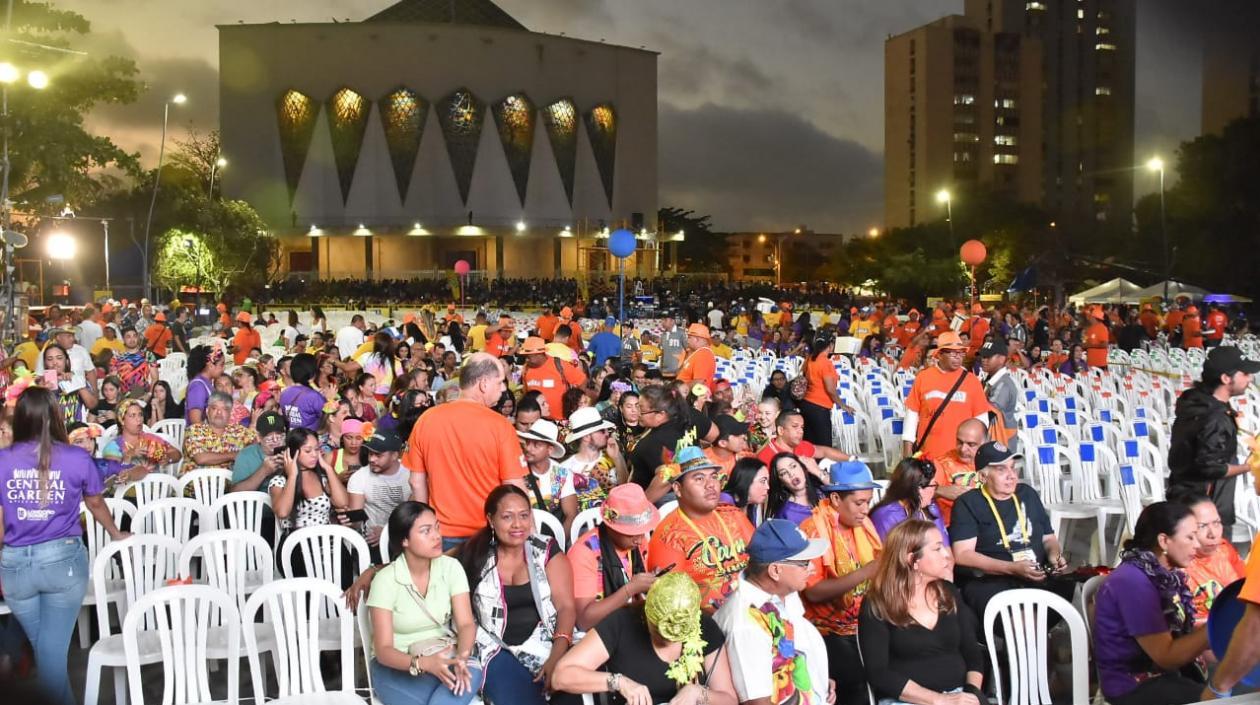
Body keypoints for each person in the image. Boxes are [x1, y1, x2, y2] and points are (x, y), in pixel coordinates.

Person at [0, 386, 128, 705]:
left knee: (47, 652)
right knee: (51, 655)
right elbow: (96, 503)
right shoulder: (76, 457)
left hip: (15, 566)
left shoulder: (2, 459)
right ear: (57, 417)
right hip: (63, 563)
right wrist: (115, 532)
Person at [455, 486, 575, 705]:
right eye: (507, 517)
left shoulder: (545, 550)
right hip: (495, 649)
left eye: (523, 515)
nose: (517, 524)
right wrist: (377, 569)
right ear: (491, 520)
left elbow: (566, 607)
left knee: (569, 693)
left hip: (547, 643)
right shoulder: (475, 552)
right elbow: (428, 561)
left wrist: (557, 654)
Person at [552, 571, 738, 705]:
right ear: (647, 613)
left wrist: (698, 693)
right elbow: (561, 676)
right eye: (660, 631)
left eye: (677, 635)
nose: (668, 640)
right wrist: (619, 682)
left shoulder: (705, 627)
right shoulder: (622, 623)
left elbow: (729, 699)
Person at [405, 353, 528, 550]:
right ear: (483, 384)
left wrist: (425, 528)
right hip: (488, 534)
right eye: (500, 382)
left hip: (441, 535)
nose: (504, 388)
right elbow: (514, 487)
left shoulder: (426, 420)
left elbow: (416, 482)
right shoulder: (500, 426)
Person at [365, 501, 481, 705]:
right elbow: (383, 650)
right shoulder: (385, 580)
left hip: (446, 654)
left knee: (469, 674)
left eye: (437, 527)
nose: (437, 536)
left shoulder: (451, 567)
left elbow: (465, 624)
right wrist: (424, 663)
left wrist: (462, 657)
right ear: (404, 541)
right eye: (425, 531)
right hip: (397, 664)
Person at [858, 520, 985, 705]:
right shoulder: (877, 604)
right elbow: (878, 673)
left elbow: (972, 653)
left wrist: (972, 695)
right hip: (906, 701)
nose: (947, 556)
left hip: (961, 696)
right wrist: (939, 700)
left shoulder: (948, 593)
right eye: (937, 549)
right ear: (912, 560)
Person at [1093, 502, 1208, 705]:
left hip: (1163, 676)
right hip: (1131, 687)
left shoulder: (1162, 575)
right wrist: (1214, 628)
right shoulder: (1133, 582)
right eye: (1189, 537)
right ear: (1164, 541)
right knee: (1221, 698)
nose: (1197, 545)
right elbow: (1166, 656)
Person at [948, 441, 1074, 623]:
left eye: (1013, 468)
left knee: (1073, 589)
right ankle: (1020, 648)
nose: (1011, 476)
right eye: (1001, 470)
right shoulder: (968, 503)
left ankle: (1037, 645)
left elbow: (1049, 538)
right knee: (1020, 618)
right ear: (983, 476)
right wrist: (1011, 568)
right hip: (992, 580)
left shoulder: (1027, 495)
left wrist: (1054, 555)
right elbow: (962, 554)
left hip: (1035, 574)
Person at [714, 518, 833, 705]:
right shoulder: (746, 624)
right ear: (775, 571)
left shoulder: (782, 593)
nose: (811, 568)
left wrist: (816, 681)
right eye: (804, 563)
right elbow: (758, 702)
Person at [799, 460, 883, 704]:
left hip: (866, 622)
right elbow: (813, 592)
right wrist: (866, 572)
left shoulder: (862, 523)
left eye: (868, 501)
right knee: (857, 680)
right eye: (859, 502)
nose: (866, 509)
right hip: (829, 631)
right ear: (835, 499)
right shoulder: (812, 529)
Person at [646, 446, 755, 612]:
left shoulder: (733, 515)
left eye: (713, 476)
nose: (711, 485)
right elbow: (673, 603)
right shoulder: (668, 536)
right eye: (699, 479)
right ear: (677, 489)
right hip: (710, 623)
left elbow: (762, 560)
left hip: (756, 607)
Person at [1168, 345, 1259, 529]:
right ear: (1226, 378)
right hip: (1207, 513)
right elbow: (1210, 468)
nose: (1250, 378)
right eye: (1244, 374)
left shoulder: (1197, 403)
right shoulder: (1215, 417)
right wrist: (1251, 466)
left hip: (1183, 500)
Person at [567, 483, 661, 630]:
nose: (639, 540)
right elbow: (583, 621)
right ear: (611, 526)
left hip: (630, 621)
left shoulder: (638, 543)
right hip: (598, 633)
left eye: (642, 532)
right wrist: (629, 590)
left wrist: (650, 580)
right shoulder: (585, 552)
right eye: (630, 533)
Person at [901, 332, 989, 460]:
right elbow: (911, 417)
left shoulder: (972, 381)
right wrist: (907, 454)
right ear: (940, 354)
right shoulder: (923, 378)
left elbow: (982, 422)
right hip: (928, 456)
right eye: (953, 353)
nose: (958, 357)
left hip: (961, 458)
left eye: (961, 353)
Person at [270, 428, 351, 555]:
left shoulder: (322, 478)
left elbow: (343, 503)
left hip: (326, 541)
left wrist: (328, 469)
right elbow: (282, 512)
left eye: (317, 449)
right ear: (293, 452)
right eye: (308, 451)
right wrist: (292, 475)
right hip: (296, 545)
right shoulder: (280, 481)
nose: (314, 454)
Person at [629, 385, 715, 503]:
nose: (637, 413)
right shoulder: (691, 415)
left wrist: (644, 504)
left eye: (641, 409)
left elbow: (667, 477)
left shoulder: (652, 442)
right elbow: (714, 434)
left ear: (660, 415)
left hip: (666, 503)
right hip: (693, 494)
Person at [1173, 491, 1245, 625]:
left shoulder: (1225, 550)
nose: (1213, 534)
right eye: (1202, 526)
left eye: (1217, 523)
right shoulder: (1173, 568)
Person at [347, 430, 413, 549]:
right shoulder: (358, 477)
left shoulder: (411, 476)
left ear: (394, 455)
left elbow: (414, 515)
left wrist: (387, 531)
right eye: (370, 453)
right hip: (371, 540)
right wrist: (349, 521)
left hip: (404, 535)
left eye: (378, 455)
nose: (372, 459)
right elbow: (356, 522)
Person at [870, 457, 949, 545]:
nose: (934, 491)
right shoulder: (886, 516)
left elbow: (945, 549)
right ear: (917, 489)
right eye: (933, 485)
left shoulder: (930, 508)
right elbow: (892, 556)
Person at [518, 419, 578, 534]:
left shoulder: (561, 473)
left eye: (537, 445)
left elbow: (571, 515)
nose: (529, 448)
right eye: (528, 442)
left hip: (551, 537)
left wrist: (558, 545)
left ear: (549, 450)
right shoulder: (516, 469)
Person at [560, 406, 624, 509]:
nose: (607, 433)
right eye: (602, 431)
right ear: (586, 437)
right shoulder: (564, 469)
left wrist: (617, 458)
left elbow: (626, 489)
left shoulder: (612, 455)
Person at [101, 398, 181, 479]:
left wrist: (168, 458)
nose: (138, 419)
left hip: (155, 488)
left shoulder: (150, 439)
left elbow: (176, 453)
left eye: (140, 415)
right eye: (133, 415)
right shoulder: (113, 447)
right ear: (122, 420)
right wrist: (129, 455)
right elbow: (113, 476)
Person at [756, 408, 850, 475]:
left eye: (802, 427)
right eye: (795, 426)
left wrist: (853, 460)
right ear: (781, 430)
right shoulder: (766, 456)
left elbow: (824, 451)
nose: (800, 431)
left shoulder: (801, 446)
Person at [931, 418, 986, 527]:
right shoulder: (941, 464)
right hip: (951, 526)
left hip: (987, 525)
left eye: (971, 444)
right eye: (960, 442)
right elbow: (914, 493)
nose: (963, 449)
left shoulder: (994, 462)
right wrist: (939, 491)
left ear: (985, 443)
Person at [520, 336, 587, 423]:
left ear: (540, 354)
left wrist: (577, 402)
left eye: (529, 357)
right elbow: (526, 393)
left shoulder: (559, 364)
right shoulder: (526, 369)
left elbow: (582, 380)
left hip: (560, 420)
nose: (526, 360)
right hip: (536, 422)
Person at [182, 391, 256, 470]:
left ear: (230, 413)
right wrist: (234, 455)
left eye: (224, 409)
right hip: (198, 481)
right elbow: (201, 458)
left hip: (231, 481)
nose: (219, 412)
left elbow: (257, 445)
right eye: (214, 408)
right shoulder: (194, 430)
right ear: (207, 411)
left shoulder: (239, 431)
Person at [800, 331, 845, 447]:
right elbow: (830, 389)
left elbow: (802, 372)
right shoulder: (826, 363)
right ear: (830, 346)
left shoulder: (810, 359)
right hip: (820, 408)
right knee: (824, 446)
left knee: (809, 444)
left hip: (806, 404)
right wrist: (842, 405)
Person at [977, 337, 1019, 452]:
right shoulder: (991, 380)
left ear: (1001, 359)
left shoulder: (1003, 384)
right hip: (992, 440)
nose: (983, 360)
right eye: (983, 356)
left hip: (1001, 444)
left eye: (988, 357)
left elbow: (988, 414)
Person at [229, 411, 289, 491]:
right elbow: (235, 492)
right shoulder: (246, 455)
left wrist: (289, 468)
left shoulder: (291, 451)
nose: (275, 440)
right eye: (268, 435)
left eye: (278, 434)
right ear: (258, 437)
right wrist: (263, 471)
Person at [766, 451, 825, 525]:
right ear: (781, 483)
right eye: (783, 473)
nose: (791, 474)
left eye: (793, 466)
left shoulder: (821, 491)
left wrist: (817, 472)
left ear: (803, 468)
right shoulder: (785, 513)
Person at [279, 353, 329, 431]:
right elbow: (328, 417)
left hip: (292, 438)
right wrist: (330, 399)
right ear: (312, 373)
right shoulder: (313, 396)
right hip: (310, 439)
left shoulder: (284, 393)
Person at [703, 414, 752, 486]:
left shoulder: (744, 457)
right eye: (737, 435)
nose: (744, 437)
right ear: (723, 443)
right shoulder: (702, 461)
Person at [722, 457, 770, 527]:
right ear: (746, 481)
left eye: (767, 482)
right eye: (762, 481)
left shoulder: (751, 505)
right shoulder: (724, 504)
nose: (768, 487)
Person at [185, 345, 225, 424]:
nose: (224, 368)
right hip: (199, 435)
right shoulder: (198, 386)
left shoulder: (208, 384)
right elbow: (196, 421)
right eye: (221, 364)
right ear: (210, 365)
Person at [676, 323, 717, 389]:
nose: (687, 340)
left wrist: (678, 390)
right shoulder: (696, 353)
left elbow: (699, 382)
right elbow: (679, 374)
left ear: (697, 339)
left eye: (689, 337)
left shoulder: (704, 354)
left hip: (690, 397)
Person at [659, 313, 686, 378]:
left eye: (665, 320)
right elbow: (663, 353)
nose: (662, 322)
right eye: (662, 320)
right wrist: (660, 367)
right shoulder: (663, 335)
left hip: (678, 373)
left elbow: (689, 351)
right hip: (664, 372)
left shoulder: (681, 333)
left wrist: (682, 368)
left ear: (673, 321)